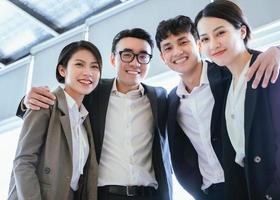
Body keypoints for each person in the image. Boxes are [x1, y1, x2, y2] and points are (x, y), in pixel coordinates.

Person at [155, 15, 280, 200]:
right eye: (168, 47)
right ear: (162, 57)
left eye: (183, 42)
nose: (177, 52)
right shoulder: (171, 100)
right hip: (209, 192)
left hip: (249, 181)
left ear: (199, 44)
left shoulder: (229, 74)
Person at [17, 28, 172, 200]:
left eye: (143, 56)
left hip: (150, 195)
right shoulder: (93, 92)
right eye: (127, 55)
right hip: (104, 195)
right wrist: (26, 102)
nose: (135, 63)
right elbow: (62, 98)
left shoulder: (159, 97)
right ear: (113, 59)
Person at [195, 1, 280, 199]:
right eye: (205, 39)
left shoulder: (270, 69)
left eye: (220, 33)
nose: (213, 44)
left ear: (242, 31)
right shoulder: (225, 83)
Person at [8, 40, 102, 200]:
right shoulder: (45, 102)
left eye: (94, 66)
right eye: (79, 65)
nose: (88, 72)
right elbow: (23, 162)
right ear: (62, 70)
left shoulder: (84, 117)